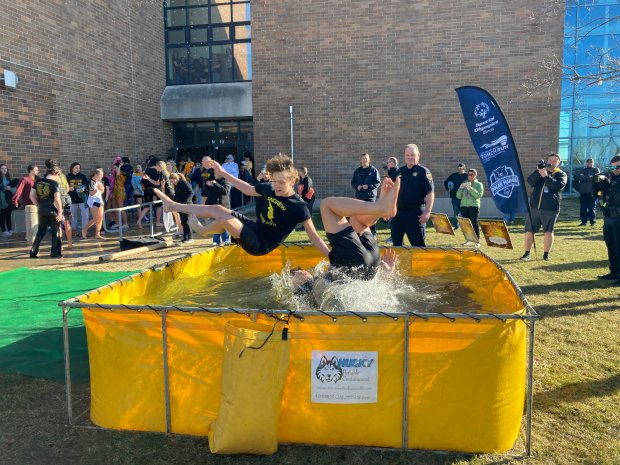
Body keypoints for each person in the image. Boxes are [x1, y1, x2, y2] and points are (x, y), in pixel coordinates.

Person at [154, 154, 330, 257]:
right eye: (274, 181)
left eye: (281, 182)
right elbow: (246, 189)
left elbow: (314, 236)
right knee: (218, 210)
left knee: (223, 215)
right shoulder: (269, 188)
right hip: (254, 228)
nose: (276, 186)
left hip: (262, 245)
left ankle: (203, 230)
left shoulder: (299, 207)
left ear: (292, 181)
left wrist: (330, 255)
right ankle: (172, 206)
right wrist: (223, 172)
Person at [289, 177, 401, 305]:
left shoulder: (321, 280)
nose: (302, 272)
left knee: (356, 218)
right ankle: (380, 207)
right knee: (327, 205)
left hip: (367, 263)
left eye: (301, 270)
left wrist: (384, 272)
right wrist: (386, 272)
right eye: (298, 273)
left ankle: (381, 208)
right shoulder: (304, 292)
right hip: (358, 262)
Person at [520, 153, 567, 262]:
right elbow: (530, 181)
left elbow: (557, 186)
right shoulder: (541, 171)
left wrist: (546, 176)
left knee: (548, 231)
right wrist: (538, 172)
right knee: (529, 231)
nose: (552, 162)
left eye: (555, 161)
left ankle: (546, 254)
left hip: (550, 208)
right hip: (534, 207)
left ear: (558, 163)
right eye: (551, 160)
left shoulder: (561, 174)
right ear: (547, 161)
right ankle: (527, 253)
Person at [390, 144, 434, 247]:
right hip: (398, 214)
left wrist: (427, 212)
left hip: (415, 214)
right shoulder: (400, 171)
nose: (410, 157)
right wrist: (388, 210)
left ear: (418, 155)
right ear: (404, 156)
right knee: (396, 245)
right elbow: (393, 192)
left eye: (413, 155)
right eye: (408, 155)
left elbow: (430, 193)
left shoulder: (423, 172)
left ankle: (420, 264)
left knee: (418, 246)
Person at [29, 160, 63, 258]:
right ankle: (55, 252)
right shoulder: (54, 183)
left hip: (42, 209)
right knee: (55, 231)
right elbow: (57, 199)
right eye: (58, 175)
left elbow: (31, 196)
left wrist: (38, 205)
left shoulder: (38, 181)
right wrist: (60, 213)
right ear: (55, 173)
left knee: (41, 231)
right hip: (51, 209)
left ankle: (33, 251)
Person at [595, 155, 620, 284]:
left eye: (618, 166)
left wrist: (611, 184)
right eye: (612, 167)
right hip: (609, 216)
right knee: (611, 245)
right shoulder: (610, 178)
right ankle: (614, 271)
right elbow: (598, 192)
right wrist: (599, 183)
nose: (615, 169)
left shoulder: (615, 181)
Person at [456, 168, 484, 245]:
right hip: (464, 206)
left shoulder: (479, 184)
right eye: (469, 174)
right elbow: (458, 196)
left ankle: (477, 240)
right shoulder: (465, 183)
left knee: (474, 223)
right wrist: (460, 188)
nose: (470, 176)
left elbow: (478, 195)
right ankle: (469, 239)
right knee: (465, 224)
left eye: (472, 174)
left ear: (475, 175)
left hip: (474, 206)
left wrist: (470, 188)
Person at [169, 173, 194, 243]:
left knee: (186, 222)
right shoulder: (177, 185)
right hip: (180, 206)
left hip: (186, 205)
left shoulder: (184, 183)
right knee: (183, 222)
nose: (172, 182)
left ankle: (190, 238)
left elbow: (191, 192)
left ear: (176, 179)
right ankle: (185, 237)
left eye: (172, 181)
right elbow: (177, 195)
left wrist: (186, 201)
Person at [66, 162, 89, 232]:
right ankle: (73, 230)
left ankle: (85, 230)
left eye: (79, 168)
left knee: (85, 215)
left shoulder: (83, 176)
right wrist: (68, 188)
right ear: (72, 168)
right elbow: (64, 187)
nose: (78, 169)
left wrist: (84, 188)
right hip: (72, 199)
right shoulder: (68, 176)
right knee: (73, 216)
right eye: (76, 168)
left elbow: (87, 184)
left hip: (82, 199)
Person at [444, 163, 468, 229]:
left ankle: (465, 226)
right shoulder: (453, 175)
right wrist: (448, 188)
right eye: (458, 168)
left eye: (461, 168)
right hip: (454, 198)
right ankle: (456, 226)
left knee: (464, 213)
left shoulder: (467, 176)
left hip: (464, 198)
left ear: (464, 168)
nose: (459, 170)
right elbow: (446, 182)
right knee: (456, 212)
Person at [83, 168, 106, 240]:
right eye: (101, 175)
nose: (102, 177)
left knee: (100, 218)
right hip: (93, 201)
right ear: (96, 174)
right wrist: (97, 189)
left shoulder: (99, 181)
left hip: (99, 200)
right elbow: (91, 193)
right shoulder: (91, 182)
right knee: (95, 219)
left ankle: (97, 234)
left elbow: (101, 191)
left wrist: (102, 189)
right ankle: (84, 230)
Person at [577, 158, 600, 226]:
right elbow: (579, 177)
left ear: (593, 163)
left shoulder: (596, 170)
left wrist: (585, 177)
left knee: (592, 207)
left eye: (591, 162)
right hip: (583, 191)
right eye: (588, 162)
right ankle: (583, 222)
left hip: (592, 192)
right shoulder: (583, 169)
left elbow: (596, 179)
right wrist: (589, 177)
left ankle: (592, 221)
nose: (590, 163)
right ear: (586, 163)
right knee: (583, 207)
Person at [0, 164, 15, 237]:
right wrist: (3, 188)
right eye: (2, 168)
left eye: (5, 168)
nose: (4, 170)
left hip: (8, 198)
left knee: (8, 214)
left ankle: (10, 229)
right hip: (2, 199)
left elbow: (12, 188)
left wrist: (10, 188)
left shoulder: (7, 178)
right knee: (2, 215)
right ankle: (3, 230)